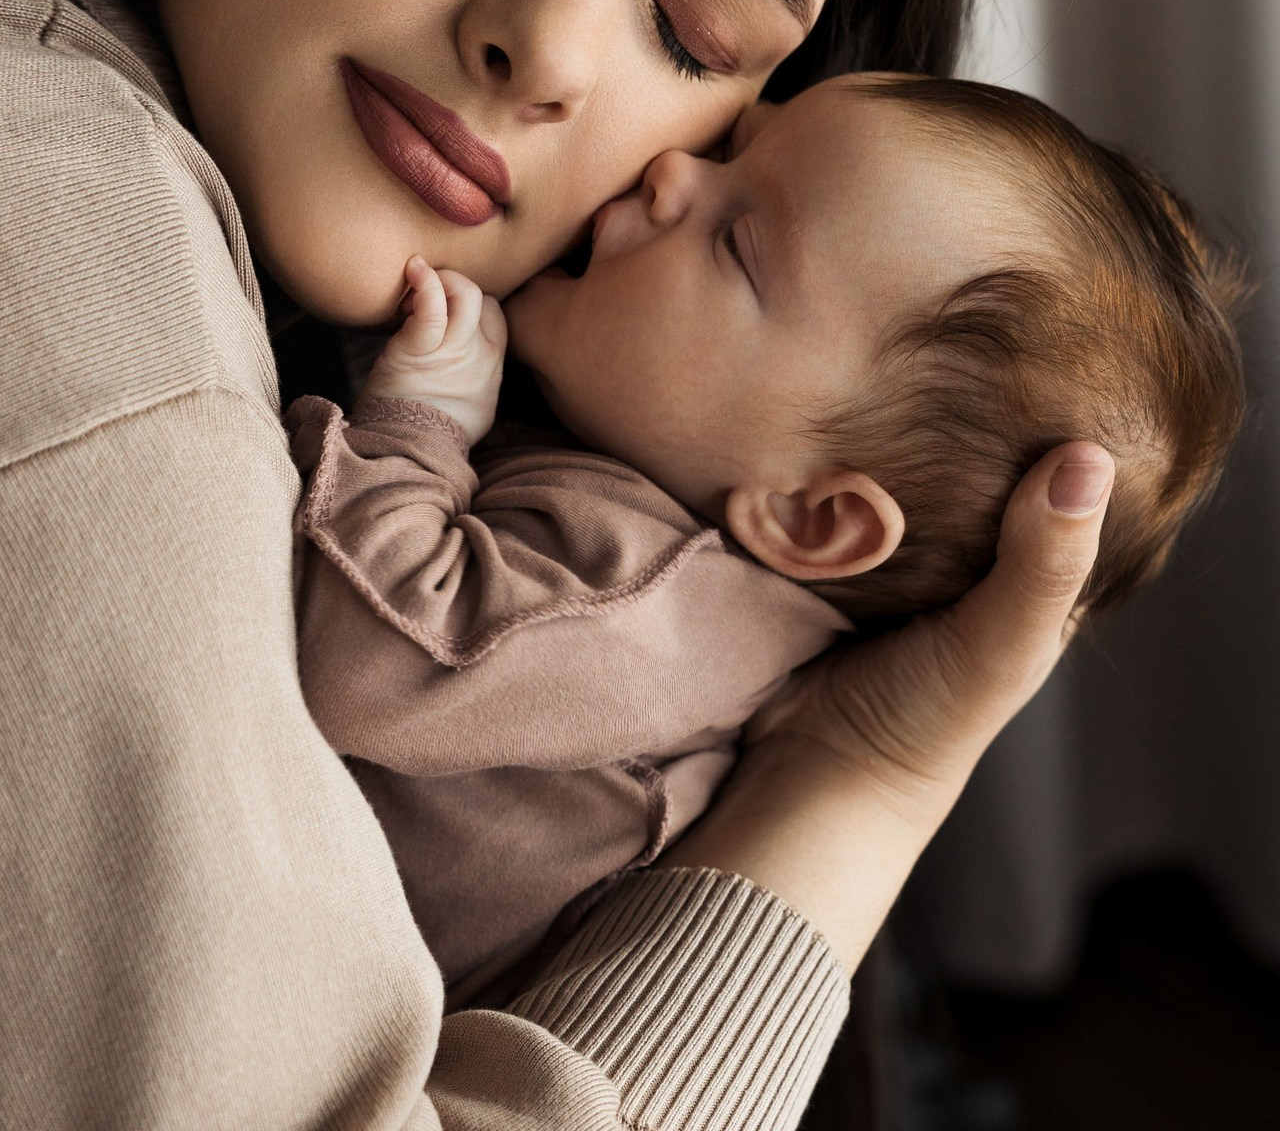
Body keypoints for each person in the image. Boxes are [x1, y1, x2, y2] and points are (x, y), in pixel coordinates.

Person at [0, 0, 1117, 1127]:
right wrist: (858, 788)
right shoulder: (89, 345)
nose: (548, 49)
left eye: (691, 36)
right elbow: (390, 641)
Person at [285, 73, 1244, 1000]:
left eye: (737, 241)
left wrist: (422, 421)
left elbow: (372, 659)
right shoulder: (646, 505)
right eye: (736, 147)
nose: (672, 173)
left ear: (808, 517)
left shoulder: (653, 606)